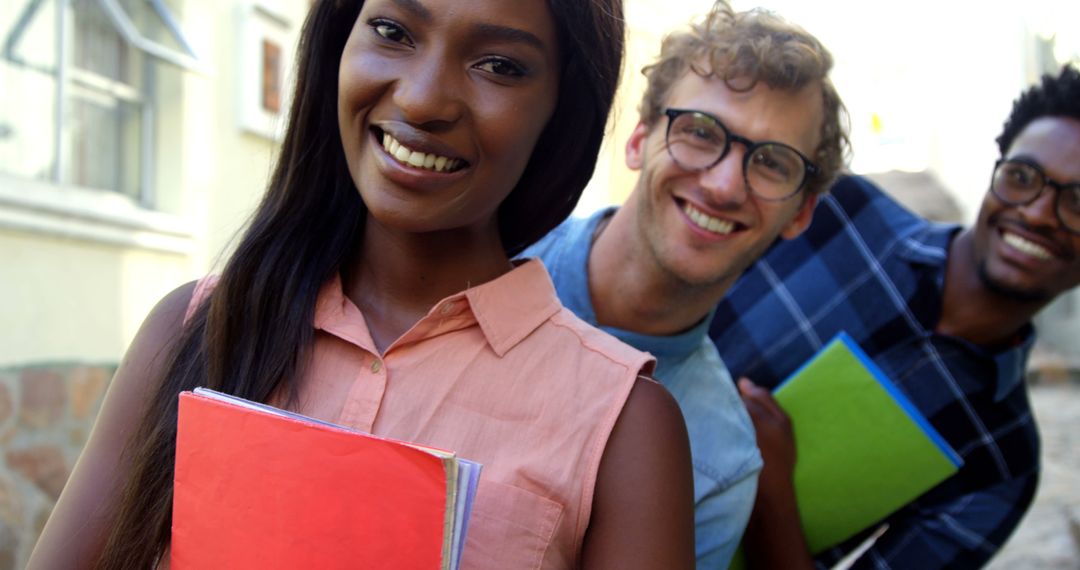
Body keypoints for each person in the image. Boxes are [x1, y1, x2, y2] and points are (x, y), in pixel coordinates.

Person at [27, 1, 697, 568]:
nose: (423, 97)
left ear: (562, 110)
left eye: (499, 65)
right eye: (394, 31)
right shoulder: (194, 326)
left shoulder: (623, 429)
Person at [712, 64, 1080, 569]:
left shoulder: (1002, 461)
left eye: (1078, 203)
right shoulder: (837, 210)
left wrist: (771, 491)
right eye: (1022, 177)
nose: (1038, 213)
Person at [521, 1, 848, 566]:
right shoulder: (489, 253)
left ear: (800, 213)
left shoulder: (718, 461)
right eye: (700, 132)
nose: (724, 184)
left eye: (772, 163)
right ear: (639, 139)